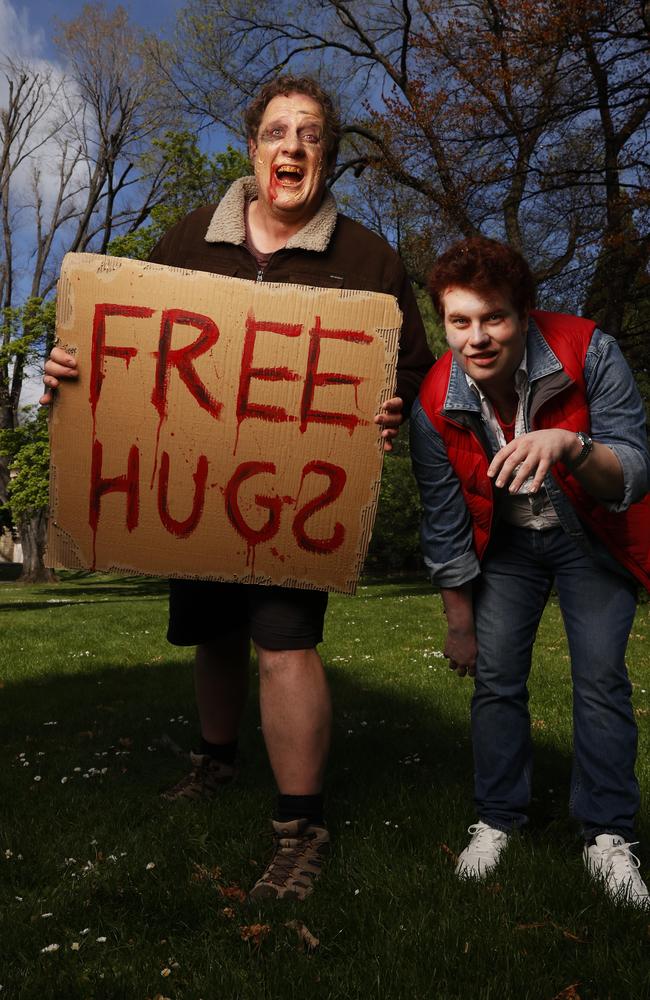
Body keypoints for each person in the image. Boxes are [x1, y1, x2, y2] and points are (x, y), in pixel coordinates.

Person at [41, 75, 434, 902]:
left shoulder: (371, 261)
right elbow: (128, 334)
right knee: (213, 631)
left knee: (283, 642)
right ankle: (216, 760)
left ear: (326, 155)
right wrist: (73, 370)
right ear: (252, 148)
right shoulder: (189, 238)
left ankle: (300, 825)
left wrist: (392, 407)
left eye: (313, 134)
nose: (294, 147)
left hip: (297, 499)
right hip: (197, 488)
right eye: (279, 132)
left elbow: (415, 375)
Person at [410, 235, 650, 907]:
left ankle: (607, 836)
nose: (478, 337)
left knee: (600, 679)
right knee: (495, 681)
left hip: (589, 537)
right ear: (445, 322)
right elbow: (444, 516)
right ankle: (496, 820)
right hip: (506, 549)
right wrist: (459, 620)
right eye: (460, 321)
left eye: (495, 318)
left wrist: (570, 445)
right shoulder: (436, 398)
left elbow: (634, 468)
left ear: (524, 314)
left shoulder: (589, 349)